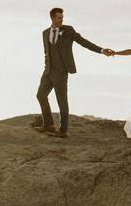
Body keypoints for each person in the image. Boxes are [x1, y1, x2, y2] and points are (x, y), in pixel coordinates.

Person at [35, 7, 112, 138]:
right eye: (59, 17)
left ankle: (63, 130)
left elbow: (83, 42)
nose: (61, 20)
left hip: (61, 71)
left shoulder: (68, 30)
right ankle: (49, 124)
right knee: (41, 95)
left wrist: (101, 50)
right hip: (48, 71)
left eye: (62, 17)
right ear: (52, 18)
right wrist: (47, 65)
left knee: (62, 101)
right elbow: (46, 52)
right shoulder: (45, 33)